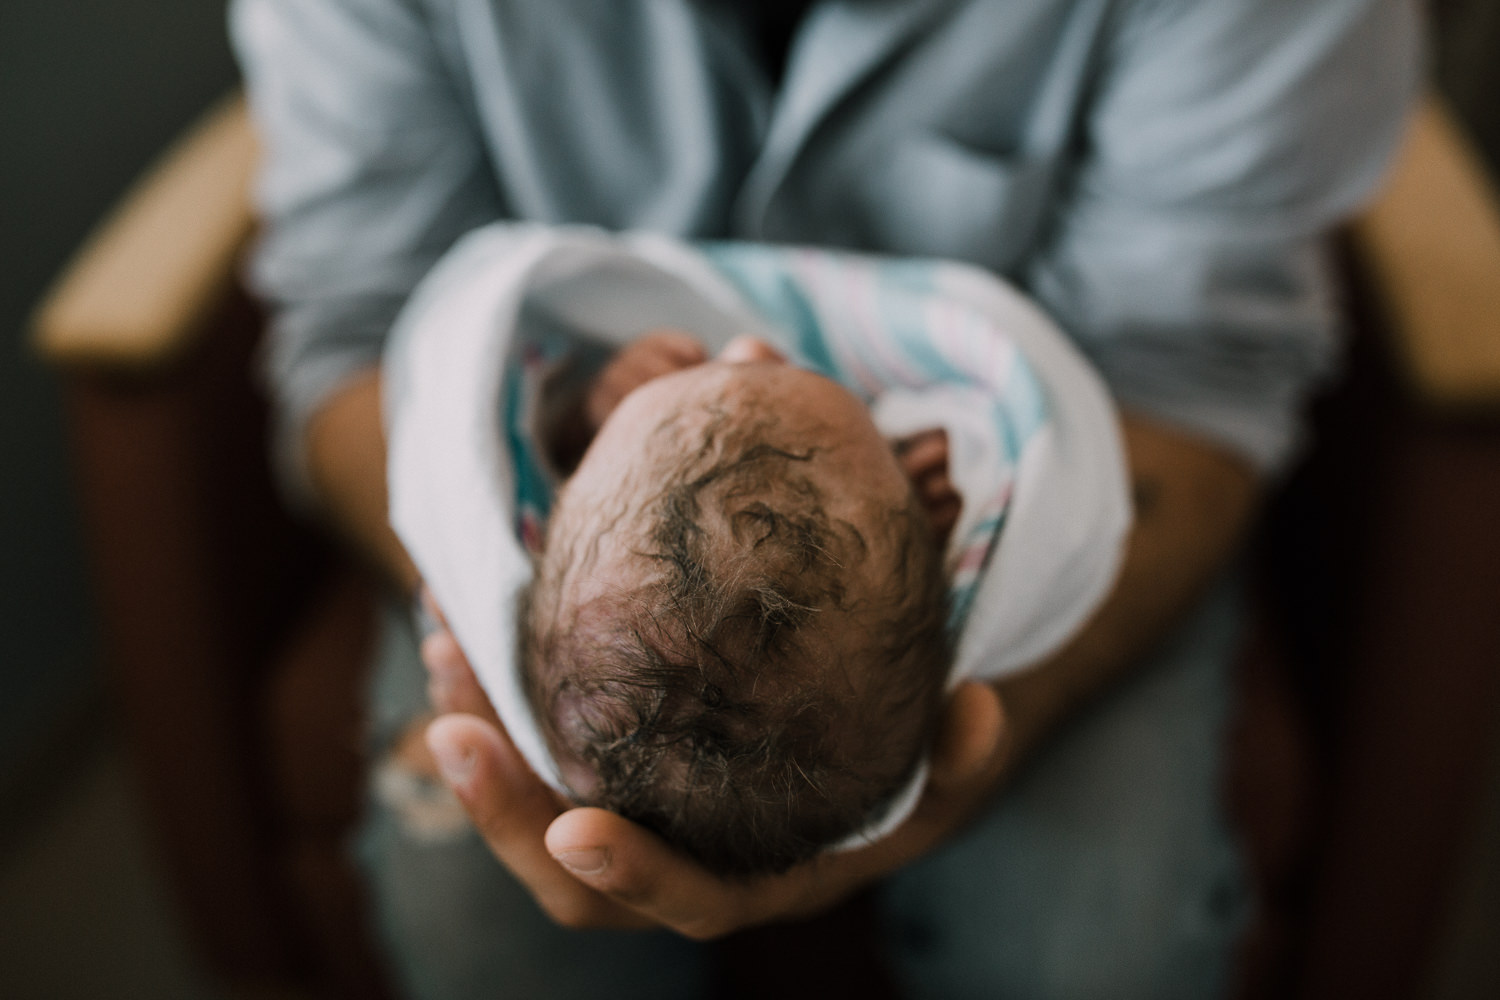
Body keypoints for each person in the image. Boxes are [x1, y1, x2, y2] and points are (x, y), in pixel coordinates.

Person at [230, 0, 1419, 996]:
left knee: (1095, 952)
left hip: (1107, 441)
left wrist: (949, 703)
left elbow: (1188, 379)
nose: (741, 350)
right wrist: (507, 584)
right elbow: (372, 341)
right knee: (482, 931)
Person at [380, 227, 1131, 880]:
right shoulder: (597, 571)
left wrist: (582, 425)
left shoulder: (571, 533)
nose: (750, 344)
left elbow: (537, 477)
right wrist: (924, 475)